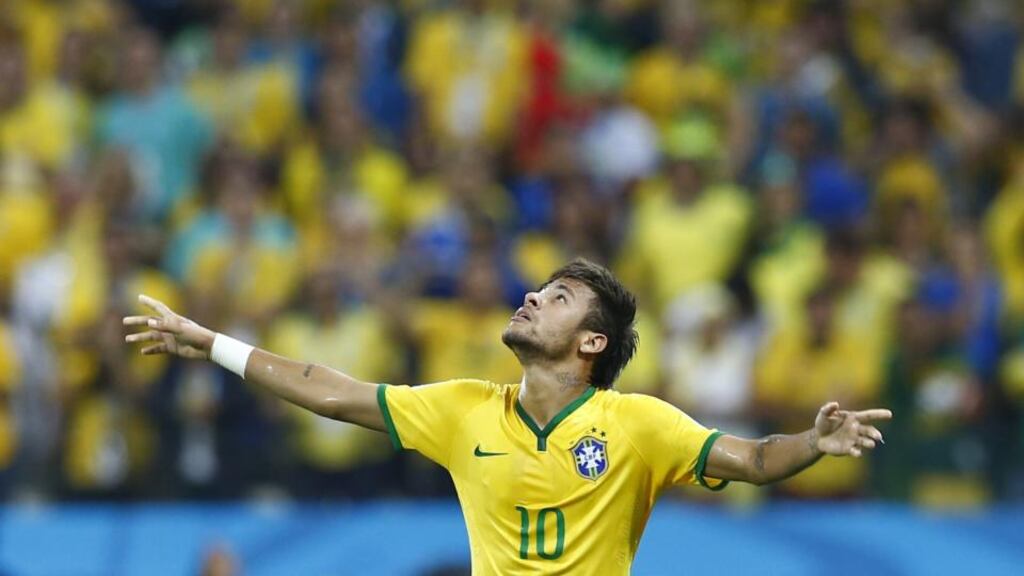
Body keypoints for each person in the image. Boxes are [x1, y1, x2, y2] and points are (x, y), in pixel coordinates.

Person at [124, 258, 890, 574]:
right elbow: (329, 389)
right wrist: (212, 343)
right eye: (539, 290)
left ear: (592, 342)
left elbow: (753, 460)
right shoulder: (463, 410)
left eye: (558, 298)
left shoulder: (639, 424)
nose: (531, 296)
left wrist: (813, 441)